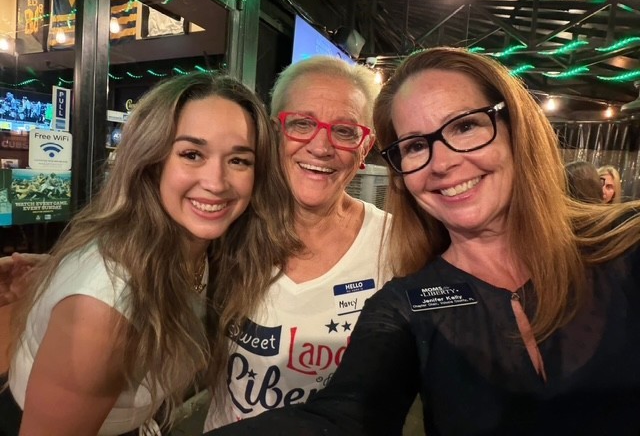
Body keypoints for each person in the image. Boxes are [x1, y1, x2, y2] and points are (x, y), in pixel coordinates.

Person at [205, 47, 640, 436]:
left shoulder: (627, 243)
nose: (443, 162)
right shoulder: (405, 299)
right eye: (415, 146)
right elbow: (349, 413)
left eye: (465, 126)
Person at [0, 72, 299, 435]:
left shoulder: (197, 248)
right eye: (192, 154)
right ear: (151, 161)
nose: (216, 182)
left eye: (239, 160)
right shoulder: (104, 312)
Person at [203, 55, 391, 430]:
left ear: (365, 147)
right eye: (302, 123)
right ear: (275, 133)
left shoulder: (394, 245)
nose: (321, 147)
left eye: (345, 131)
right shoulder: (229, 225)